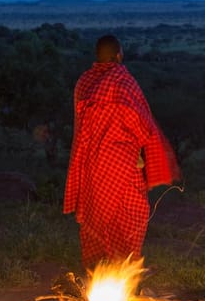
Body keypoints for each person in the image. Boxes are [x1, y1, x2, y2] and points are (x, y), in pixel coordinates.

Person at [63, 34, 181, 269]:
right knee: (131, 216)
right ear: (119, 55)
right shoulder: (122, 81)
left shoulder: (84, 82)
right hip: (122, 165)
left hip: (91, 167)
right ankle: (124, 272)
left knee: (96, 220)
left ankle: (98, 273)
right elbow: (142, 124)